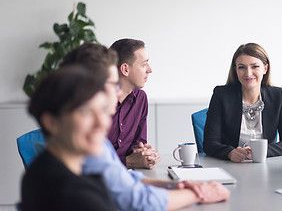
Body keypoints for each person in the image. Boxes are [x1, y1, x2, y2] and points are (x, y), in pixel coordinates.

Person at [60, 42, 230, 210]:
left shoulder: (94, 140)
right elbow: (137, 201)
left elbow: (120, 179)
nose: (118, 92)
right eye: (112, 85)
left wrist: (177, 186)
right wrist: (199, 193)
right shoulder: (81, 144)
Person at [21, 66, 116, 211]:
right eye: (85, 111)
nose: (102, 123)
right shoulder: (73, 194)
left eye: (103, 110)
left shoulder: (41, 169)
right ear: (51, 122)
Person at [203, 43, 282, 162]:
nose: (248, 73)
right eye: (242, 67)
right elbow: (209, 143)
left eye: (255, 66)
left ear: (265, 68)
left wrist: (261, 152)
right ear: (235, 70)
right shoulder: (221, 95)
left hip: (265, 166)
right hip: (231, 166)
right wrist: (230, 153)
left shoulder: (279, 96)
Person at [108, 38, 160, 169]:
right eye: (144, 64)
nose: (150, 70)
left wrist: (143, 154)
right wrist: (128, 161)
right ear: (125, 69)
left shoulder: (140, 99)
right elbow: (87, 160)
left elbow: (138, 143)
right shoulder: (99, 102)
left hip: (128, 176)